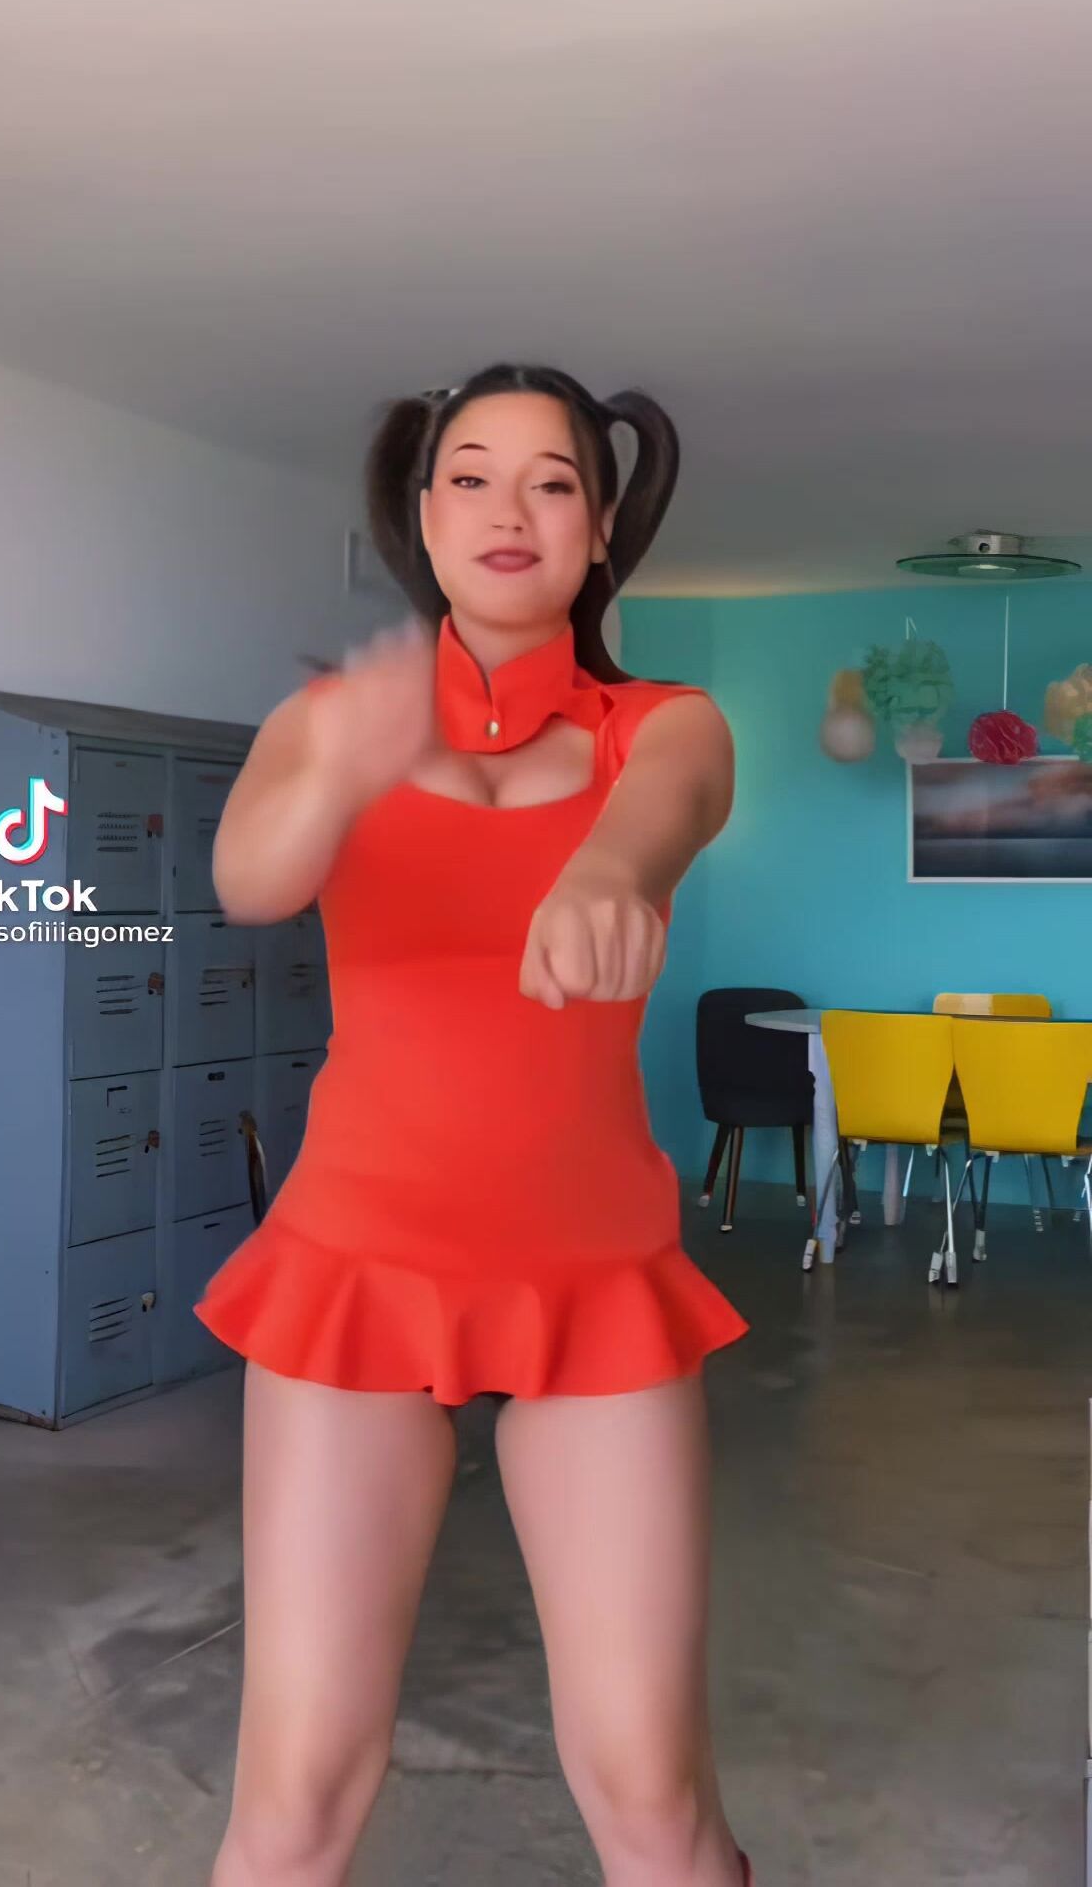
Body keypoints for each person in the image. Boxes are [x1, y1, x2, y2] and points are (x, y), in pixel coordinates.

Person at [197, 363, 752, 1887]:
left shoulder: (663, 726)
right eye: (472, 476)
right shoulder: (329, 720)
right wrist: (344, 767)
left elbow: (670, 810)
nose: (511, 508)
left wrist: (608, 875)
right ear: (425, 517)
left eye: (555, 482)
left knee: (651, 1793)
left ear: (600, 527)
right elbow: (250, 880)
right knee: (296, 1795)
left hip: (593, 1278)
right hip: (354, 1267)